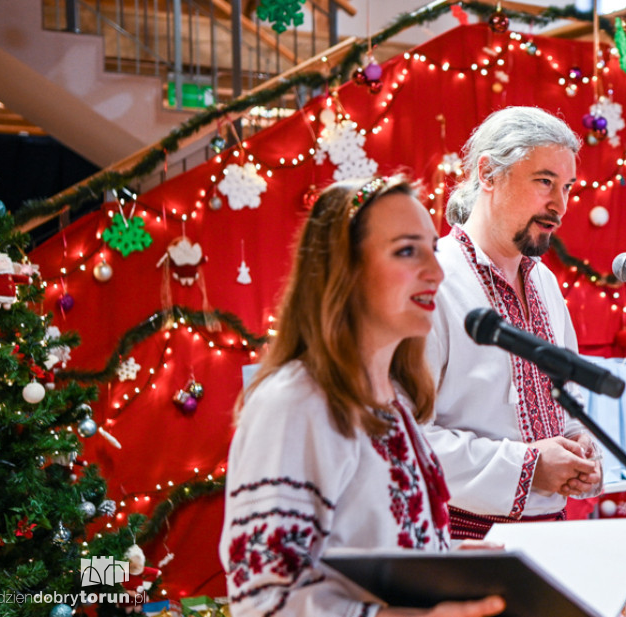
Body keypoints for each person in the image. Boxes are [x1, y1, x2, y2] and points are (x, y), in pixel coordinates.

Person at [219, 175, 504, 617]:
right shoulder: (296, 403)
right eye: (408, 250)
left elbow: (374, 547)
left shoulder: (397, 402)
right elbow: (263, 601)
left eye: (432, 247)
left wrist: (446, 568)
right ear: (344, 268)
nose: (437, 270)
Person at [424, 106, 602, 540]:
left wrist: (583, 449)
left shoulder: (544, 281)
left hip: (551, 538)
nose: (559, 205)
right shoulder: (432, 282)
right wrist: (527, 466)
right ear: (488, 173)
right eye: (544, 181)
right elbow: (402, 438)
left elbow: (570, 399)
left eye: (567, 187)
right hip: (461, 543)